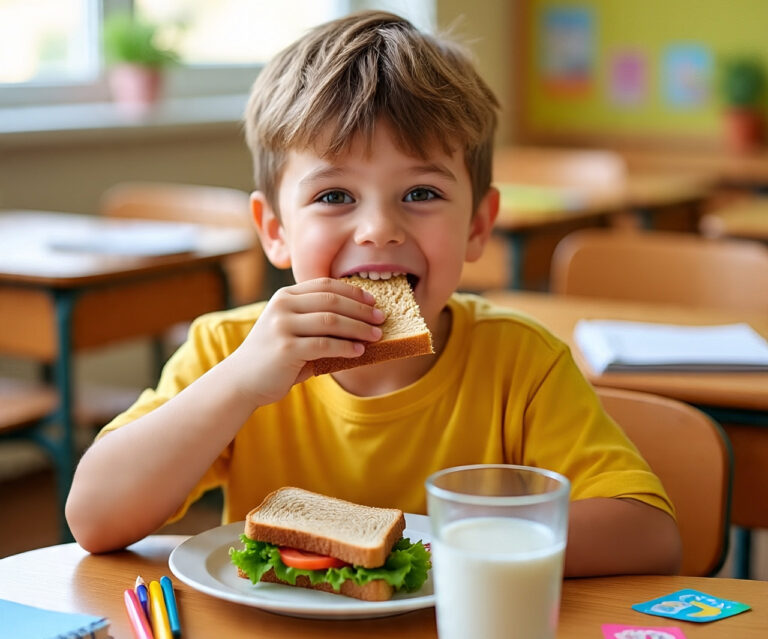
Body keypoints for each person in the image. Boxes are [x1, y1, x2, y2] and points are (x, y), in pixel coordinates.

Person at [66, 10, 681, 575]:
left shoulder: (520, 364)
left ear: (478, 227)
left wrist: (429, 552)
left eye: (421, 193)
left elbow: (650, 534)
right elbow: (93, 517)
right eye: (335, 197)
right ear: (275, 232)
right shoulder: (230, 350)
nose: (379, 228)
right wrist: (238, 385)